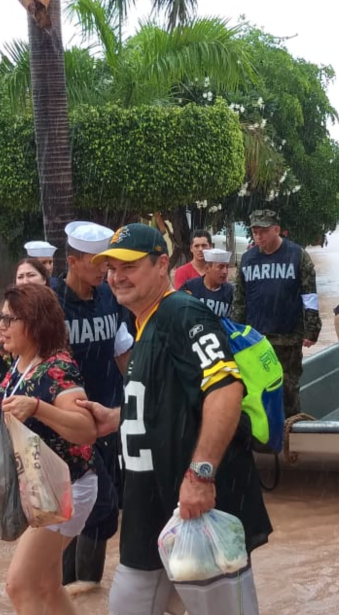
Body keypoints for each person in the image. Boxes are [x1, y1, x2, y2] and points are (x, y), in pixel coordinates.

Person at [81, 223, 272, 615]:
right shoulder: (146, 322)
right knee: (133, 603)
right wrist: (119, 417)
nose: (117, 277)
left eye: (129, 266)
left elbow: (225, 388)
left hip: (196, 499)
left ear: (162, 264)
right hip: (152, 504)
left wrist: (201, 476)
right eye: (112, 268)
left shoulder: (181, 313)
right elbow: (169, 400)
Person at [0, 283, 99, 615]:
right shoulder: (22, 361)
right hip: (40, 488)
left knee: (19, 584)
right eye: (1, 318)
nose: (0, 326)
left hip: (66, 489)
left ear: (35, 324)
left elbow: (86, 429)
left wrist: (38, 407)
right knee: (46, 585)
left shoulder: (58, 368)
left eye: (9, 319)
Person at [53, 221, 132, 594]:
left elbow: (122, 351)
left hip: (109, 420)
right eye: (97, 262)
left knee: (99, 510)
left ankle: (82, 589)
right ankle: (72, 587)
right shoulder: (52, 305)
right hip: (68, 426)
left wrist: (136, 397)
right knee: (88, 506)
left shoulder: (108, 298)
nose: (105, 269)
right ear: (72, 260)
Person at [231, 209, 322, 418]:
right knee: (256, 389)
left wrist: (312, 329)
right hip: (255, 340)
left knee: (288, 391)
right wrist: (235, 335)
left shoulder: (297, 255)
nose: (259, 235)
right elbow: (239, 300)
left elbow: (309, 296)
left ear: (276, 230)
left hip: (288, 338)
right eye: (255, 231)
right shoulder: (247, 259)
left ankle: (291, 438)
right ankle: (261, 440)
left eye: (263, 230)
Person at [0, 259, 51, 347]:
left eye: (31, 275)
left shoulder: (54, 307)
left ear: (44, 279)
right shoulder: (12, 304)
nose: (25, 281)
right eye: (20, 277)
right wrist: (2, 340)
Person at [181, 247, 234, 318]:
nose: (225, 272)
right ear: (207, 268)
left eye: (227, 267)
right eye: (220, 267)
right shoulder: (190, 287)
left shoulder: (230, 291)